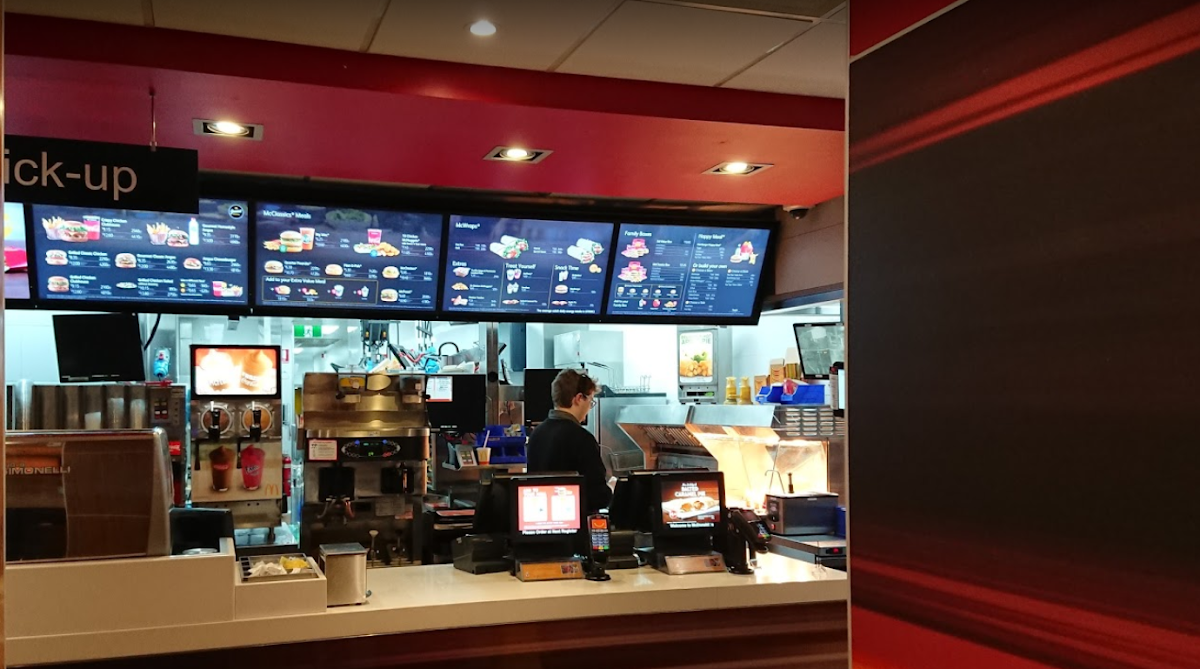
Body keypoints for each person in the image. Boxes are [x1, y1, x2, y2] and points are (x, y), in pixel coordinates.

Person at [526, 369, 613, 513]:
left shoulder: (537, 434)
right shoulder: (582, 438)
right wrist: (611, 488)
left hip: (541, 516)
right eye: (590, 401)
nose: (589, 408)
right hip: (573, 520)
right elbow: (597, 497)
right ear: (578, 398)